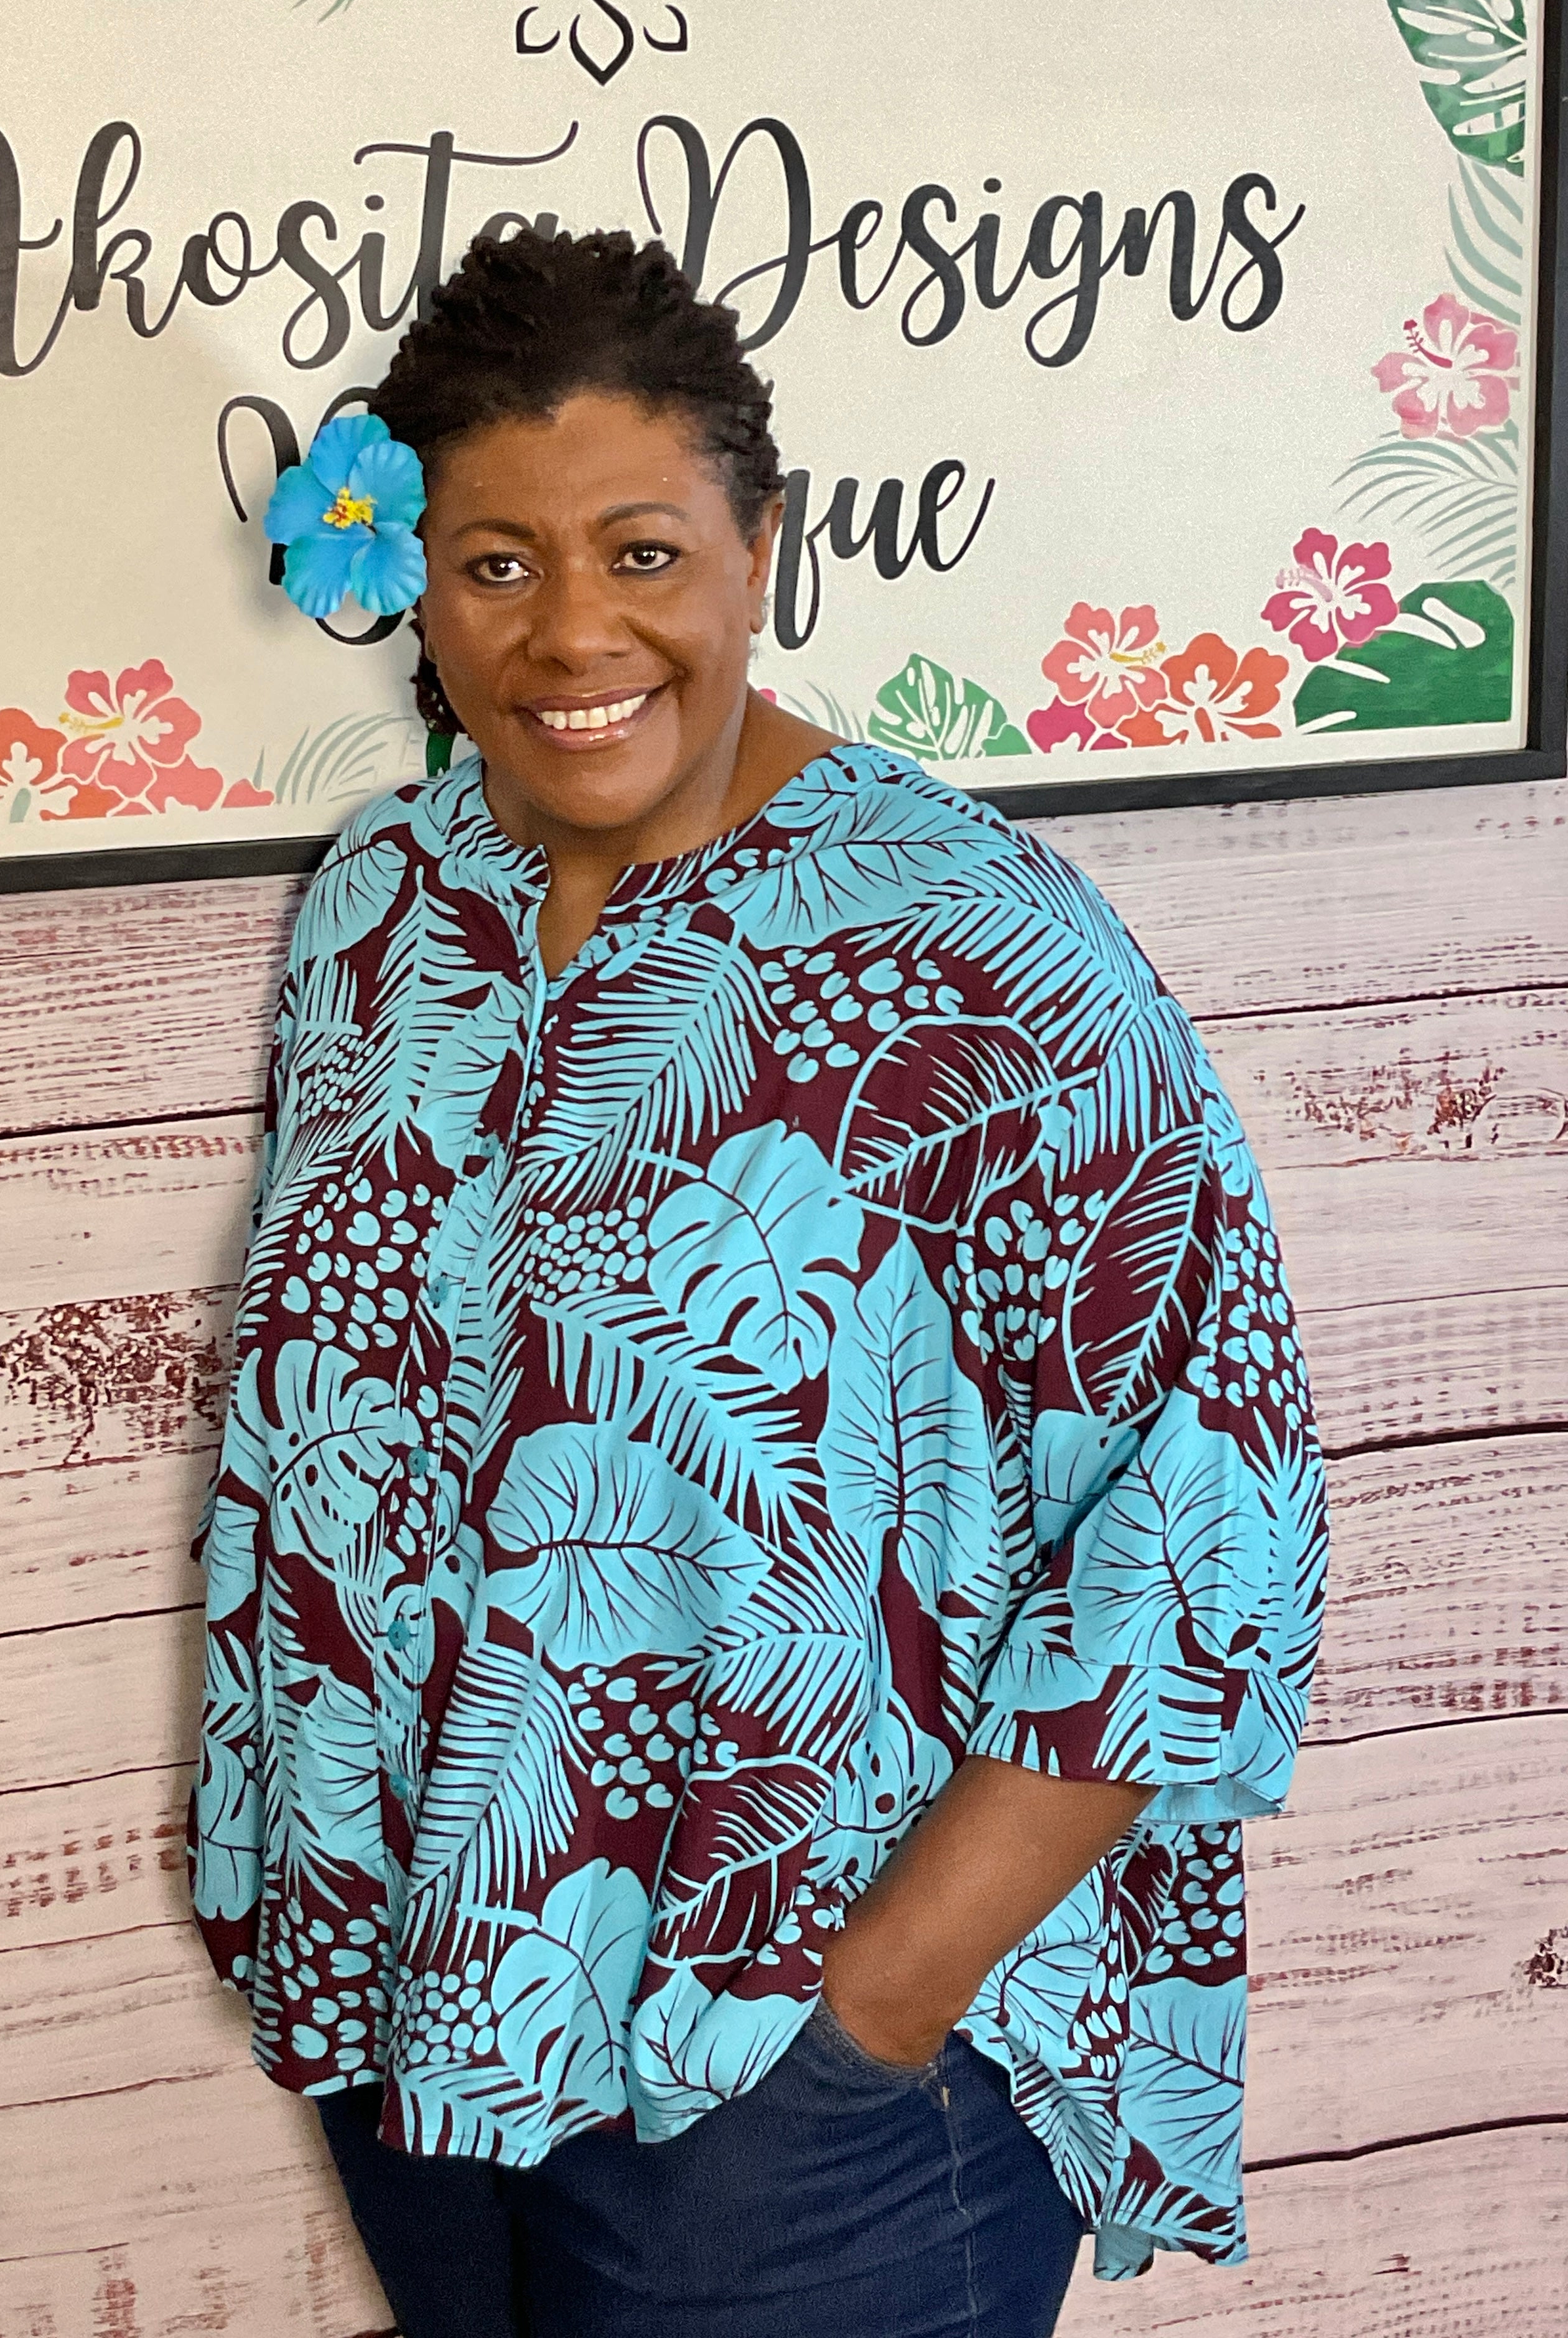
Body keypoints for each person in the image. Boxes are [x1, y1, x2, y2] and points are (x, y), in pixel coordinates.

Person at [188, 228, 1327, 2338]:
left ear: (759, 553)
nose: (573, 630)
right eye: (497, 564)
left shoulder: (972, 946)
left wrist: (875, 2006)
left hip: (786, 2066)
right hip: (420, 2000)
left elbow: (1214, 1512)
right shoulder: (383, 903)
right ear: (418, 582)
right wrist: (298, 1875)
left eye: (642, 552)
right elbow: (324, 1432)